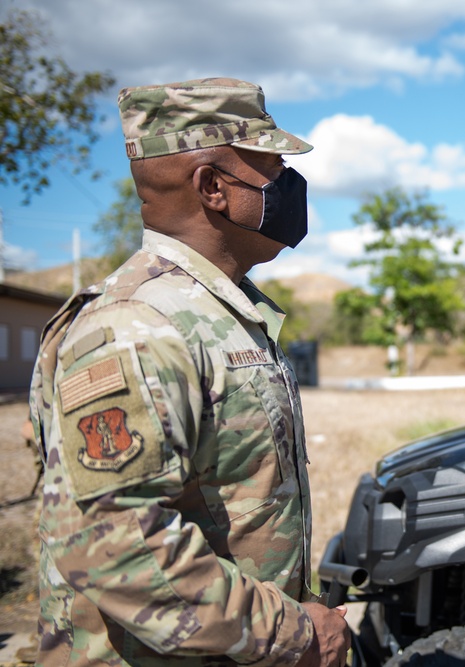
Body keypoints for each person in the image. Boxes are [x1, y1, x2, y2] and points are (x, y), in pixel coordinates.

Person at [28, 78, 350, 666]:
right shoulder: (136, 327)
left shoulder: (214, 311)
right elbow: (120, 549)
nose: (289, 186)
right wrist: (294, 633)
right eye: (273, 167)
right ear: (213, 187)